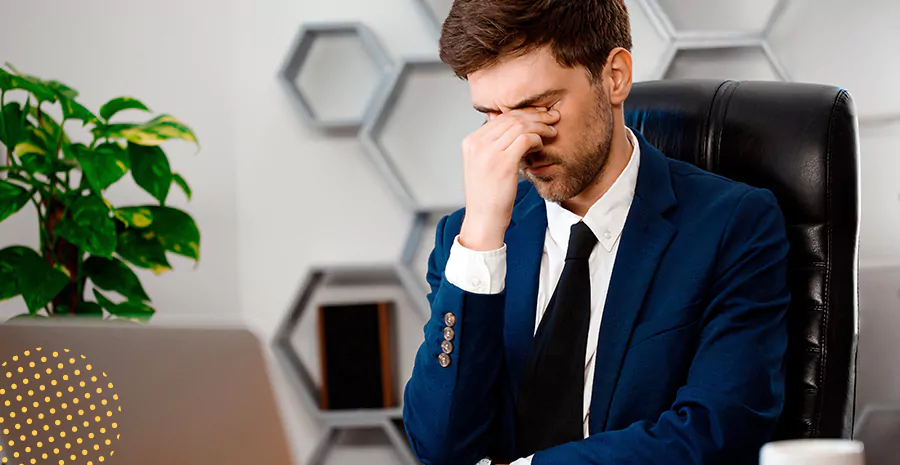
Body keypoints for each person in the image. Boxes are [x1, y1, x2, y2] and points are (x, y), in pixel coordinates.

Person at [402, 0, 790, 464]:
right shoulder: (465, 242)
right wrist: (482, 236)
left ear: (615, 76)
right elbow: (441, 448)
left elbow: (718, 432)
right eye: (491, 116)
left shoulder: (734, 226)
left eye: (540, 107)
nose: (522, 142)